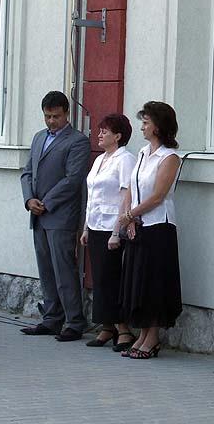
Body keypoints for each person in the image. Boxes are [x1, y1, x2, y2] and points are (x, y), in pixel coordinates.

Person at [19, 91, 91, 342]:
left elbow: (73, 179)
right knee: (46, 270)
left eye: (56, 116)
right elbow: (27, 172)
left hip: (60, 215)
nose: (51, 121)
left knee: (64, 270)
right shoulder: (39, 137)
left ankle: (74, 321)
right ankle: (51, 319)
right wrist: (29, 200)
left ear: (66, 113)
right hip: (37, 214)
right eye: (47, 116)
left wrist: (47, 203)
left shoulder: (78, 141)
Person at [118, 101, 182, 359]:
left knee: (154, 282)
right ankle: (143, 334)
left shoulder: (169, 157)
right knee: (138, 282)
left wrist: (130, 215)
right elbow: (132, 187)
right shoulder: (143, 153)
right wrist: (130, 219)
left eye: (146, 123)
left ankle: (153, 337)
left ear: (158, 126)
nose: (142, 127)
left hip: (158, 226)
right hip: (139, 225)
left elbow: (158, 196)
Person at [80, 114, 137, 351]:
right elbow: (92, 195)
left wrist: (116, 232)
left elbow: (126, 196)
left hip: (112, 227)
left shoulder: (125, 159)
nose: (100, 134)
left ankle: (123, 329)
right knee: (100, 279)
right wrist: (86, 228)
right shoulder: (100, 159)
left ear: (118, 136)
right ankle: (107, 326)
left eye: (105, 131)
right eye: (100, 130)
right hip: (96, 225)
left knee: (111, 278)